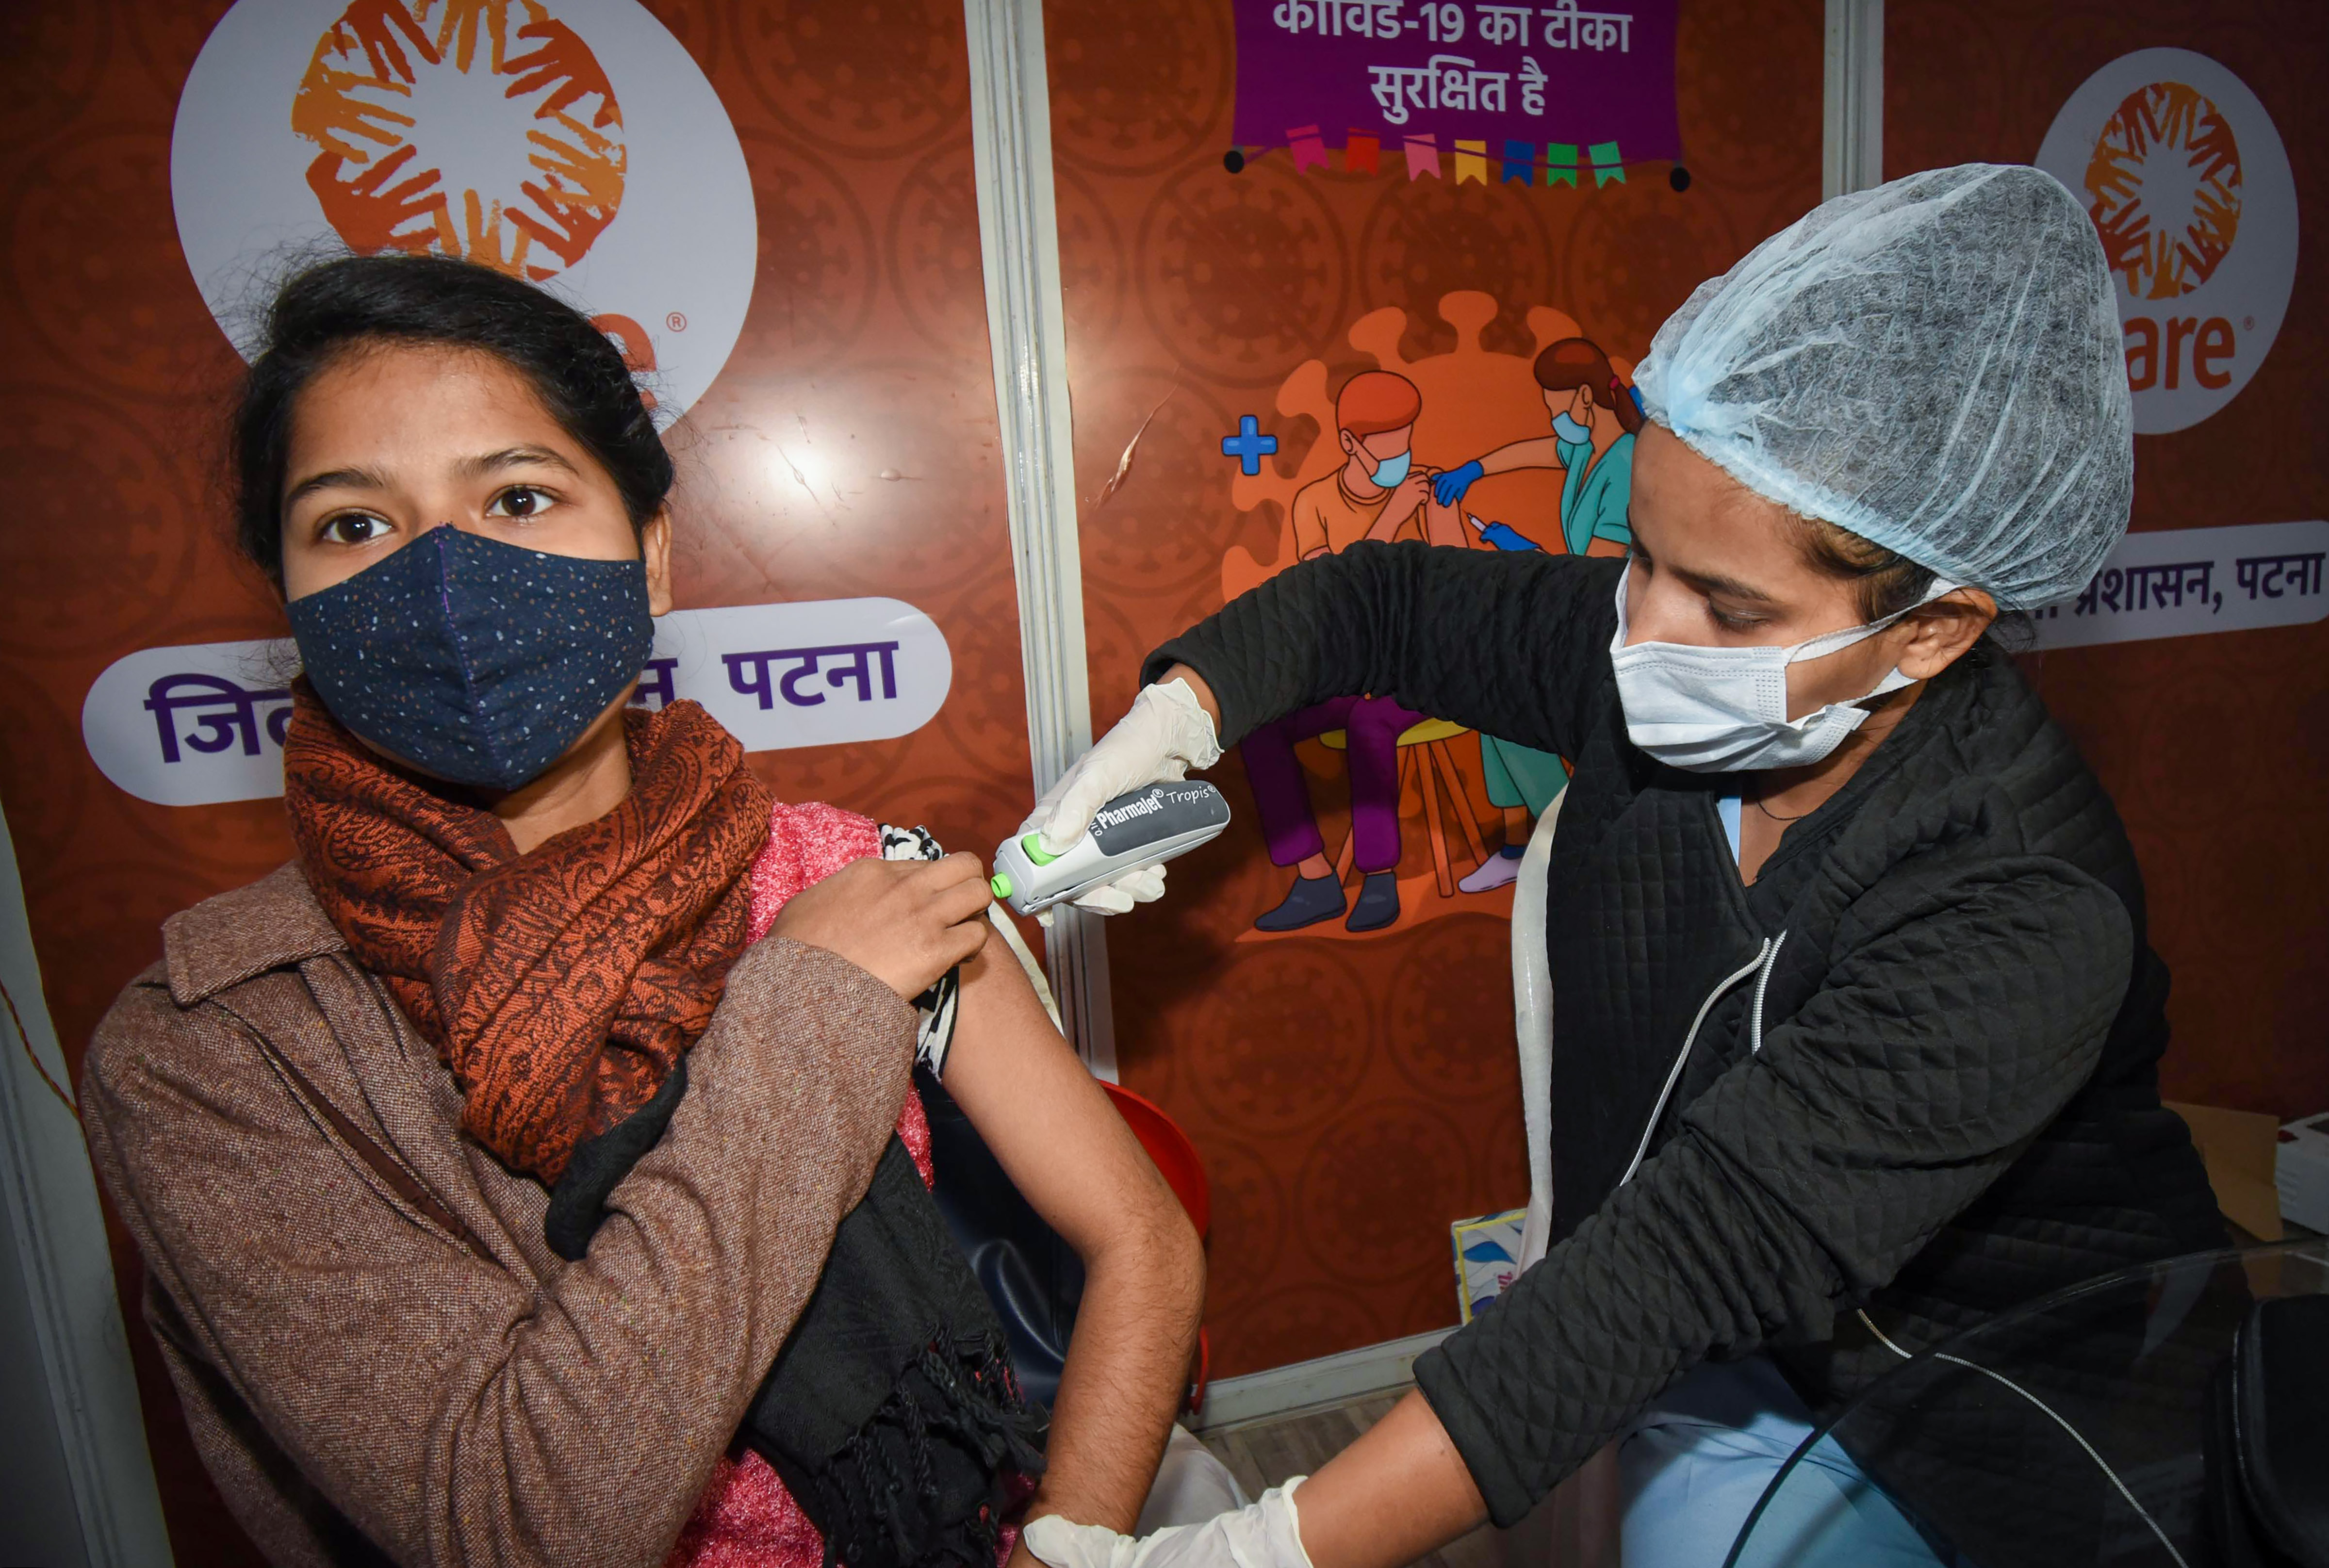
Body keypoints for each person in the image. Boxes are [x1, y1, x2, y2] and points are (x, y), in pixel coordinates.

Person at [1016, 166, 2226, 1568]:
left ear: (1936, 630)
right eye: (1640, 555)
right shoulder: (1658, 655)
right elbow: (1380, 599)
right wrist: (1180, 721)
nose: (1641, 633)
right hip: (1712, 1346)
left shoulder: (2023, 902)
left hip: (1987, 1412)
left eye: (1726, 603)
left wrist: (1260, 1553)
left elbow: (1697, 1252)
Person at [79, 254, 1218, 1568]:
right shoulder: (222, 1050)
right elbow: (516, 1526)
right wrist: (807, 1012)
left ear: (652, 555)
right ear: (289, 601)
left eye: (517, 495)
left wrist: (1063, 1542)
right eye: (352, 525)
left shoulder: (838, 874)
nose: (446, 577)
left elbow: (1139, 1236)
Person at [1240, 370, 1468, 933]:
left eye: (1406, 442)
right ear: (1350, 443)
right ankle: (1315, 878)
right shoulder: (1314, 503)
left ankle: (1379, 877)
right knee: (1259, 726)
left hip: (1423, 675)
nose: (1400, 459)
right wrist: (1390, 519)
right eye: (1386, 448)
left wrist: (1440, 514)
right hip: (1344, 674)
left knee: (1371, 719)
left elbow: (1468, 590)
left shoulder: (1425, 493)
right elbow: (1330, 596)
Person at [1437, 338, 1644, 893]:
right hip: (1581, 621)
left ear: (1583, 398)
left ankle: (1570, 841)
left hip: (1614, 633)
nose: (1554, 420)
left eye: (1555, 407)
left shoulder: (1626, 462)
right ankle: (1517, 845)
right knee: (1487, 691)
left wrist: (1525, 552)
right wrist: (1475, 468)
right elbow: (1536, 450)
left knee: (1517, 711)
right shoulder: (1586, 450)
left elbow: (1600, 576)